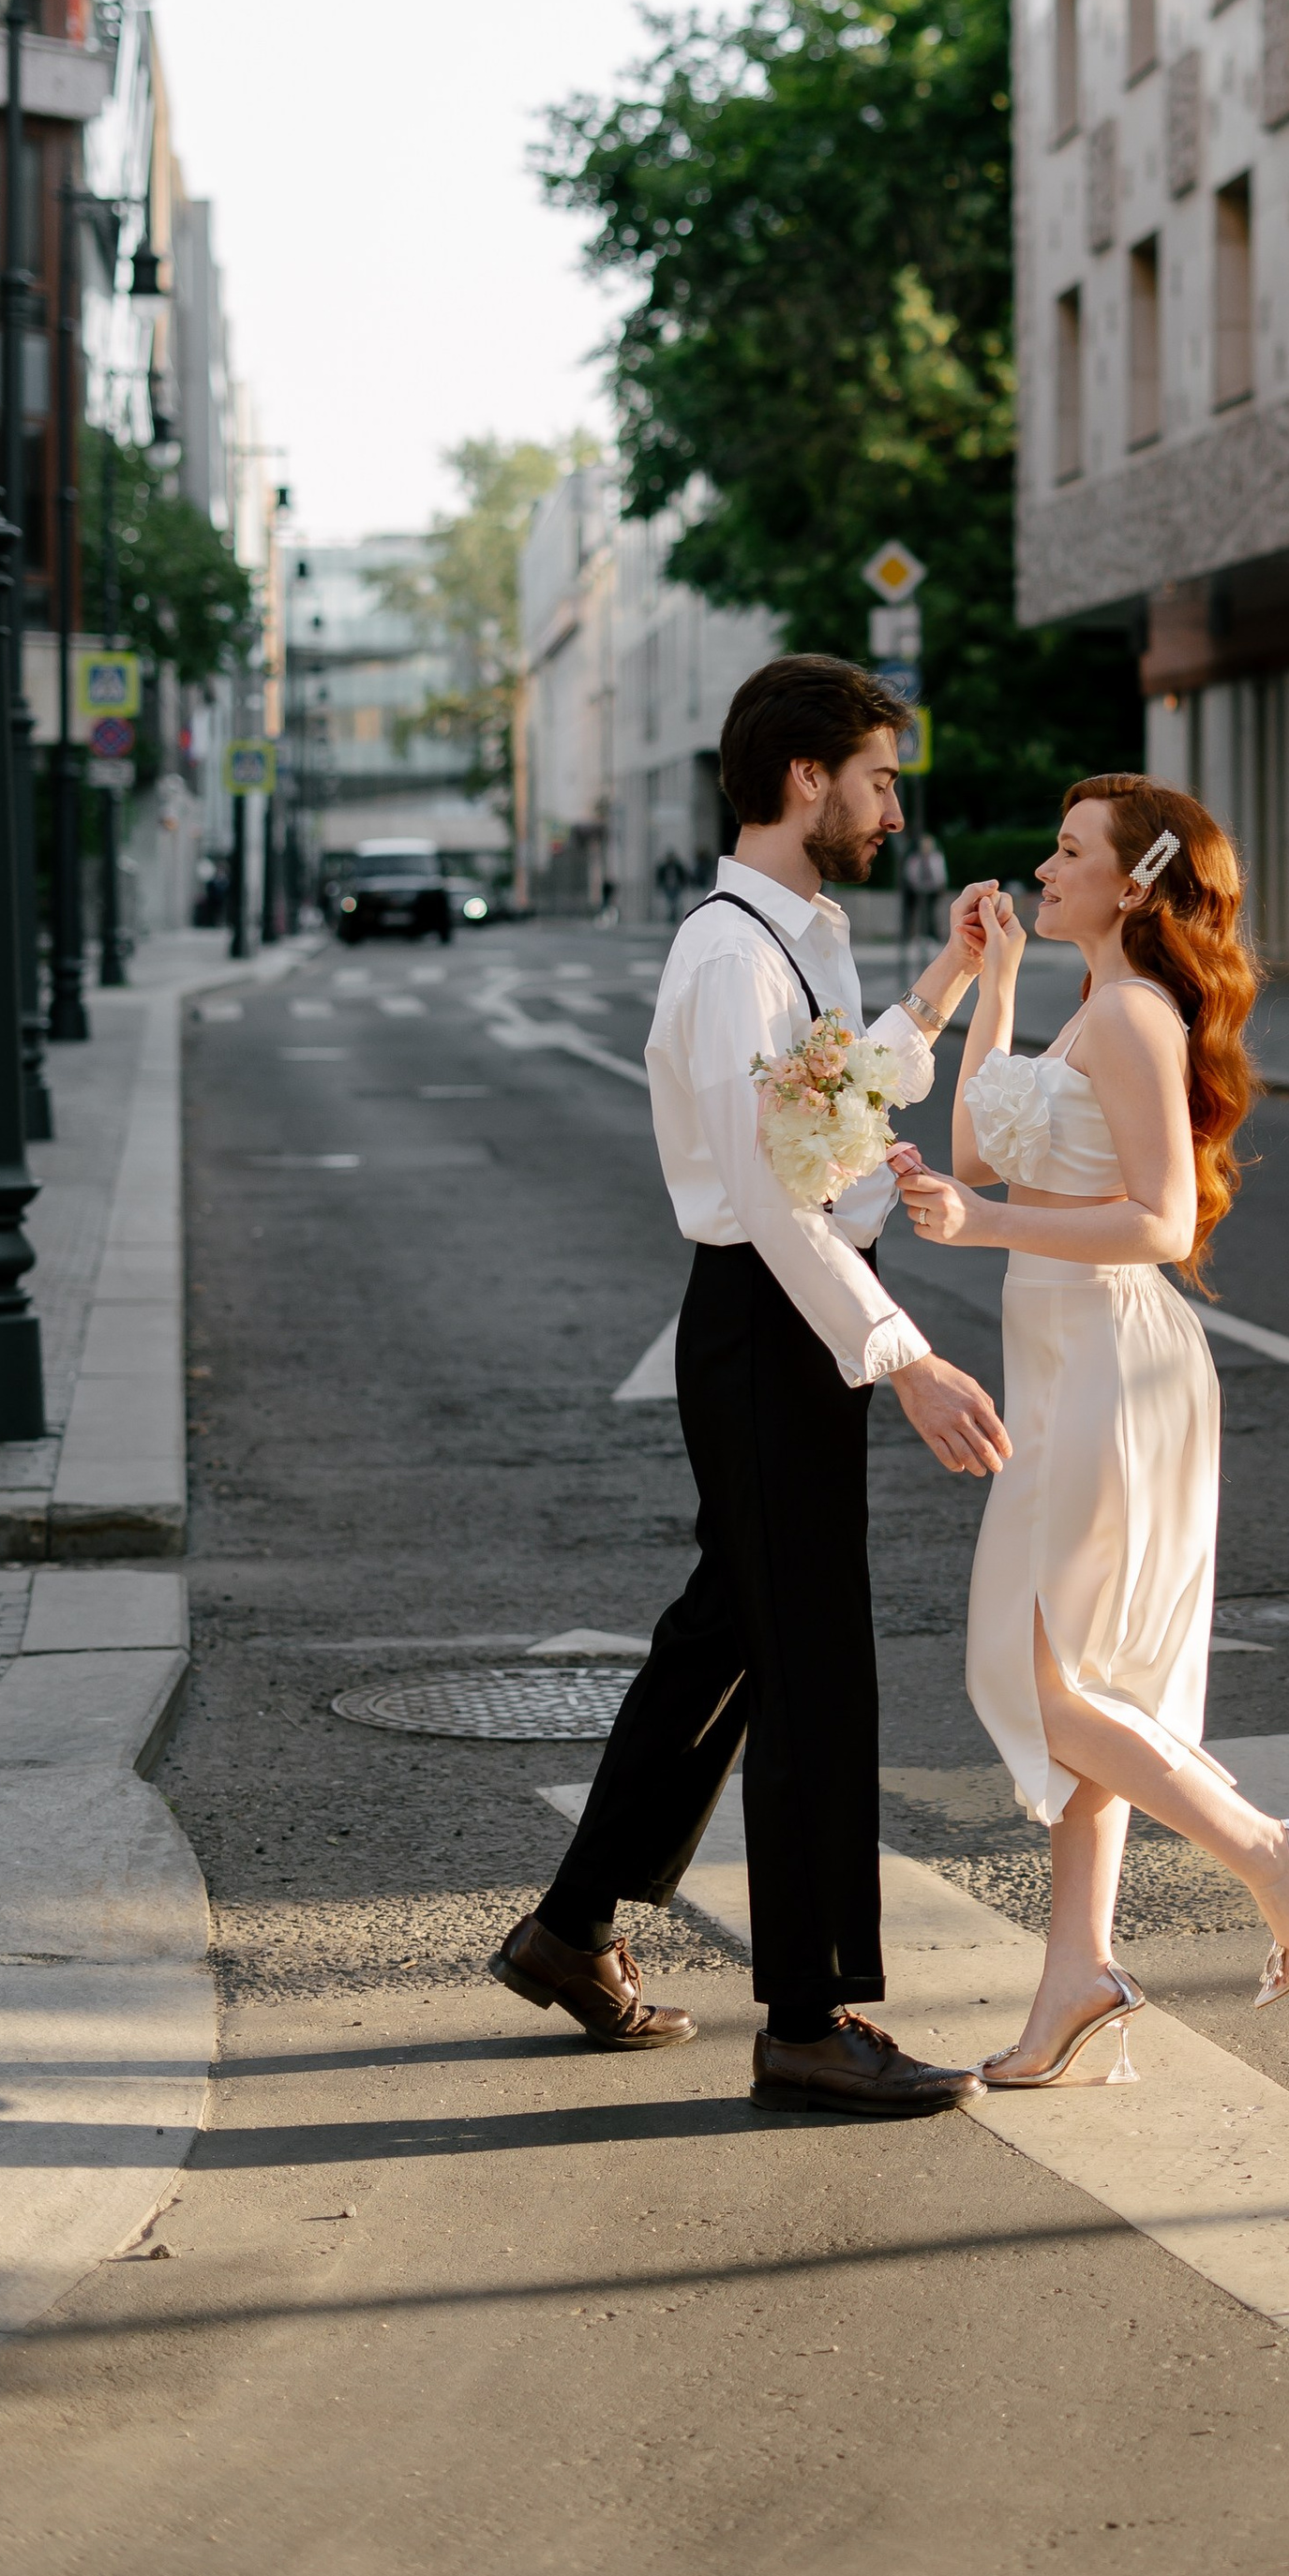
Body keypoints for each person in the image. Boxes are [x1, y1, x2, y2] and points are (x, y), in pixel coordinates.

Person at [493, 653, 1013, 2117]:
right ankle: (809, 2014)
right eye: (878, 777)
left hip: (783, 1322)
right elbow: (774, 1199)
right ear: (807, 780)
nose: (894, 806)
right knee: (813, 1669)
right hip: (771, 1322)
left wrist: (953, 979)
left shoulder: (796, 939)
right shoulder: (730, 957)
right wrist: (901, 1356)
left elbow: (835, 1113)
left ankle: (571, 1930)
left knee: (728, 1635)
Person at [891, 775, 1289, 2091]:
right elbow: (981, 1153)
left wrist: (982, 1229)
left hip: (1113, 1364)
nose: (1043, 869)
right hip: (1069, 1363)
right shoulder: (1081, 1014)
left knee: (1050, 1689)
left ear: (1135, 886)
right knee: (1085, 1691)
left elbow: (1163, 1224)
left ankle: (1272, 1852)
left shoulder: (1134, 1017)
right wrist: (991, 983)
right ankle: (1075, 1979)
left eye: (1070, 853)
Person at [897, 827, 950, 975]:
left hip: (932, 890)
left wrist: (939, 886)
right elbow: (911, 874)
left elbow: (940, 873)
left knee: (931, 913)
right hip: (917, 890)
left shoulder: (936, 857)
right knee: (914, 913)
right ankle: (912, 935)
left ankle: (932, 935)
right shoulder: (915, 858)